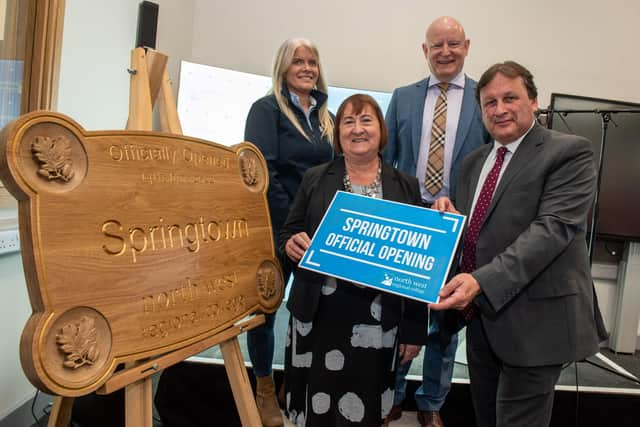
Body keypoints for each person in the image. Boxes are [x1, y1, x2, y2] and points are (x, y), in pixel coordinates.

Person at [430, 61, 602, 427]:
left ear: (534, 101)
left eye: (510, 97)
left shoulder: (569, 152)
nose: (500, 109)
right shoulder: (473, 163)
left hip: (537, 321)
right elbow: (481, 227)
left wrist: (480, 281)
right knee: (487, 417)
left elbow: (551, 231)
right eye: (490, 102)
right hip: (481, 320)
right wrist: (446, 217)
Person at [280, 94, 429, 426]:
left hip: (378, 321)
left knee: (365, 407)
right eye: (348, 121)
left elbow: (416, 263)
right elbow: (289, 231)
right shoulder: (315, 178)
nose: (357, 129)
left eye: (366, 120)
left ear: (381, 130)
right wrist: (290, 243)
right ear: (338, 132)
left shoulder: (405, 186)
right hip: (318, 317)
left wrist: (415, 328)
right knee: (316, 407)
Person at [383, 16, 489, 427]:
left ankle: (431, 403)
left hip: (459, 225)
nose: (445, 51)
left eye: (453, 44)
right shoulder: (403, 96)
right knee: (399, 312)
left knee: (446, 321)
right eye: (436, 45)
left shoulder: (485, 98)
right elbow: (387, 161)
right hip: (410, 219)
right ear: (424, 51)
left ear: (466, 46)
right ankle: (391, 395)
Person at [244, 37, 335, 427]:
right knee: (265, 311)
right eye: (298, 61)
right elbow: (262, 171)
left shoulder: (324, 116)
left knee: (310, 309)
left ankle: (293, 382)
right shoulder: (266, 110)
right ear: (283, 67)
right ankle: (264, 387)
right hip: (277, 228)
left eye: (312, 61)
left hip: (318, 231)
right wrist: (291, 227)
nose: (306, 68)